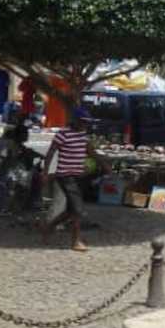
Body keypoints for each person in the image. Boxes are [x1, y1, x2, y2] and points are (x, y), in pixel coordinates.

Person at [40, 108, 108, 252]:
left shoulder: (83, 135)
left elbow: (91, 152)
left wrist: (104, 165)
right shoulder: (63, 134)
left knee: (71, 210)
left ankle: (48, 227)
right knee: (77, 210)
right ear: (75, 121)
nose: (85, 125)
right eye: (83, 122)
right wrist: (45, 173)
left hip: (79, 176)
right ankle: (76, 241)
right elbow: (51, 153)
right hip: (65, 176)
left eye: (87, 122)